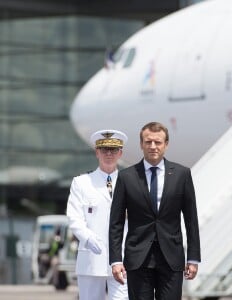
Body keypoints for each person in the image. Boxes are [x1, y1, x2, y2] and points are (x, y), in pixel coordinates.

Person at [109, 121, 201, 300]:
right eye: (148, 142)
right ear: (141, 144)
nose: (153, 146)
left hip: (171, 258)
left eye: (158, 142)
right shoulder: (126, 177)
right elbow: (116, 223)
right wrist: (115, 260)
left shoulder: (182, 175)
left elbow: (191, 219)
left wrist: (193, 258)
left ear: (166, 144)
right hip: (137, 258)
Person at [67, 129, 129, 300]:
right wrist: (87, 237)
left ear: (120, 153)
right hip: (91, 259)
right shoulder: (81, 183)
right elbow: (74, 217)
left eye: (114, 150)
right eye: (104, 150)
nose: (109, 154)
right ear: (97, 152)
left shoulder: (132, 182)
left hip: (123, 258)